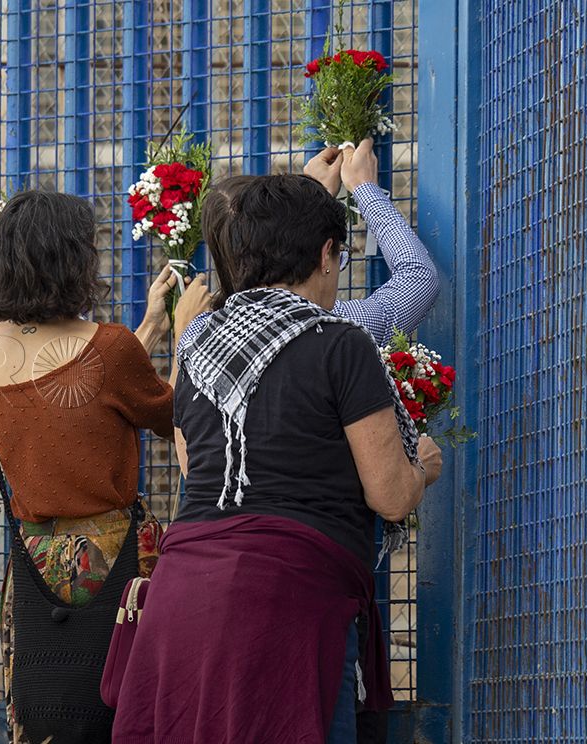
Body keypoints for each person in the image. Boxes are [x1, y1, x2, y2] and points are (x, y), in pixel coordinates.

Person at [108, 175, 443, 743]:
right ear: (325, 254)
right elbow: (388, 494)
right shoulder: (341, 342)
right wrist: (423, 469)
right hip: (286, 605)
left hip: (184, 594)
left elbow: (194, 466)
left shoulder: (197, 345)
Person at [0, 190, 209, 744]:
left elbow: (79, 395)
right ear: (73, 261)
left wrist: (146, 325)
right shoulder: (110, 350)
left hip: (33, 563)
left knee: (52, 714)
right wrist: (182, 335)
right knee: (128, 708)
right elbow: (164, 407)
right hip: (118, 562)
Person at [181, 137, 438, 344]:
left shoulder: (199, 334)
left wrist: (313, 204)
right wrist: (364, 187)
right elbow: (417, 277)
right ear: (325, 254)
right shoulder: (339, 325)